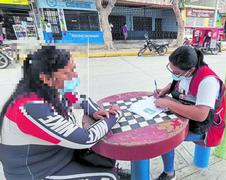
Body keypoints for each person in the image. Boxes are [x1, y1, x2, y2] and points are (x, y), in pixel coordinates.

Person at [0, 46, 130, 180]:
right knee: (108, 176)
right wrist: (114, 116)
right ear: (46, 78)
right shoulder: (31, 107)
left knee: (104, 159)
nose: (75, 75)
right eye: (67, 73)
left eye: (74, 69)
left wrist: (95, 111)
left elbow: (80, 99)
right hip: (37, 172)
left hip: (56, 156)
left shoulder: (50, 89)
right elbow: (86, 139)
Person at [153, 46, 225, 180]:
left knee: (164, 138)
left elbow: (201, 114)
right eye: (170, 69)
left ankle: (169, 174)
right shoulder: (184, 72)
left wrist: (169, 103)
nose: (173, 73)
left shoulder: (207, 81)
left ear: (190, 70)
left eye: (176, 72)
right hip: (184, 116)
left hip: (203, 126)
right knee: (158, 128)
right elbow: (177, 83)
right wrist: (164, 90)